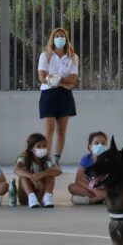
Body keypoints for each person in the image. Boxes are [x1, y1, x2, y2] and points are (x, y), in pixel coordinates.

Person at [38, 27, 79, 163]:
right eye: (57, 36)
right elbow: (43, 77)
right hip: (48, 95)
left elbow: (73, 80)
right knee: (49, 129)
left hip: (65, 96)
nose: (59, 38)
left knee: (61, 131)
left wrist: (56, 80)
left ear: (66, 39)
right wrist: (63, 81)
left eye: (62, 36)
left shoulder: (73, 57)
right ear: (52, 38)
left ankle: (56, 159)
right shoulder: (45, 55)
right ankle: (46, 159)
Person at [14, 132, 62, 208]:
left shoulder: (48, 159)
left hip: (40, 195)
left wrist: (43, 174)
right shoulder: (24, 158)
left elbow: (58, 170)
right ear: (31, 148)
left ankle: (47, 198)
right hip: (25, 197)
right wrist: (33, 177)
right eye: (39, 146)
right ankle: (32, 197)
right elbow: (17, 169)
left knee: (50, 173)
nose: (42, 148)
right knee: (23, 174)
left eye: (44, 146)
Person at [69, 131, 109, 205]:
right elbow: (78, 180)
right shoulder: (86, 159)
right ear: (90, 146)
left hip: (105, 189)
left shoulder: (109, 160)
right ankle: (103, 198)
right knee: (72, 187)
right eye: (96, 143)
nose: (100, 145)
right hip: (90, 189)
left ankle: (91, 200)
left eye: (103, 143)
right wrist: (95, 190)